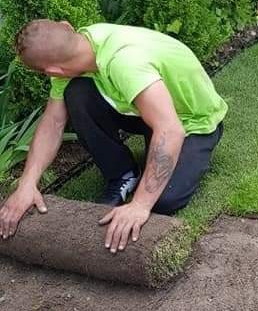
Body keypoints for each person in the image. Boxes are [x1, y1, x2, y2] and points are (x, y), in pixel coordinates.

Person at [0, 21, 227, 254]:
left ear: (52, 71)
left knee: (163, 201)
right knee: (77, 94)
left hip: (190, 121)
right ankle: (123, 173)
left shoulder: (124, 62)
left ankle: (180, 161)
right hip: (147, 111)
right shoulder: (76, 49)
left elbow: (171, 129)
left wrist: (139, 205)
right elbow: (53, 122)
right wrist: (26, 184)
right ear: (67, 26)